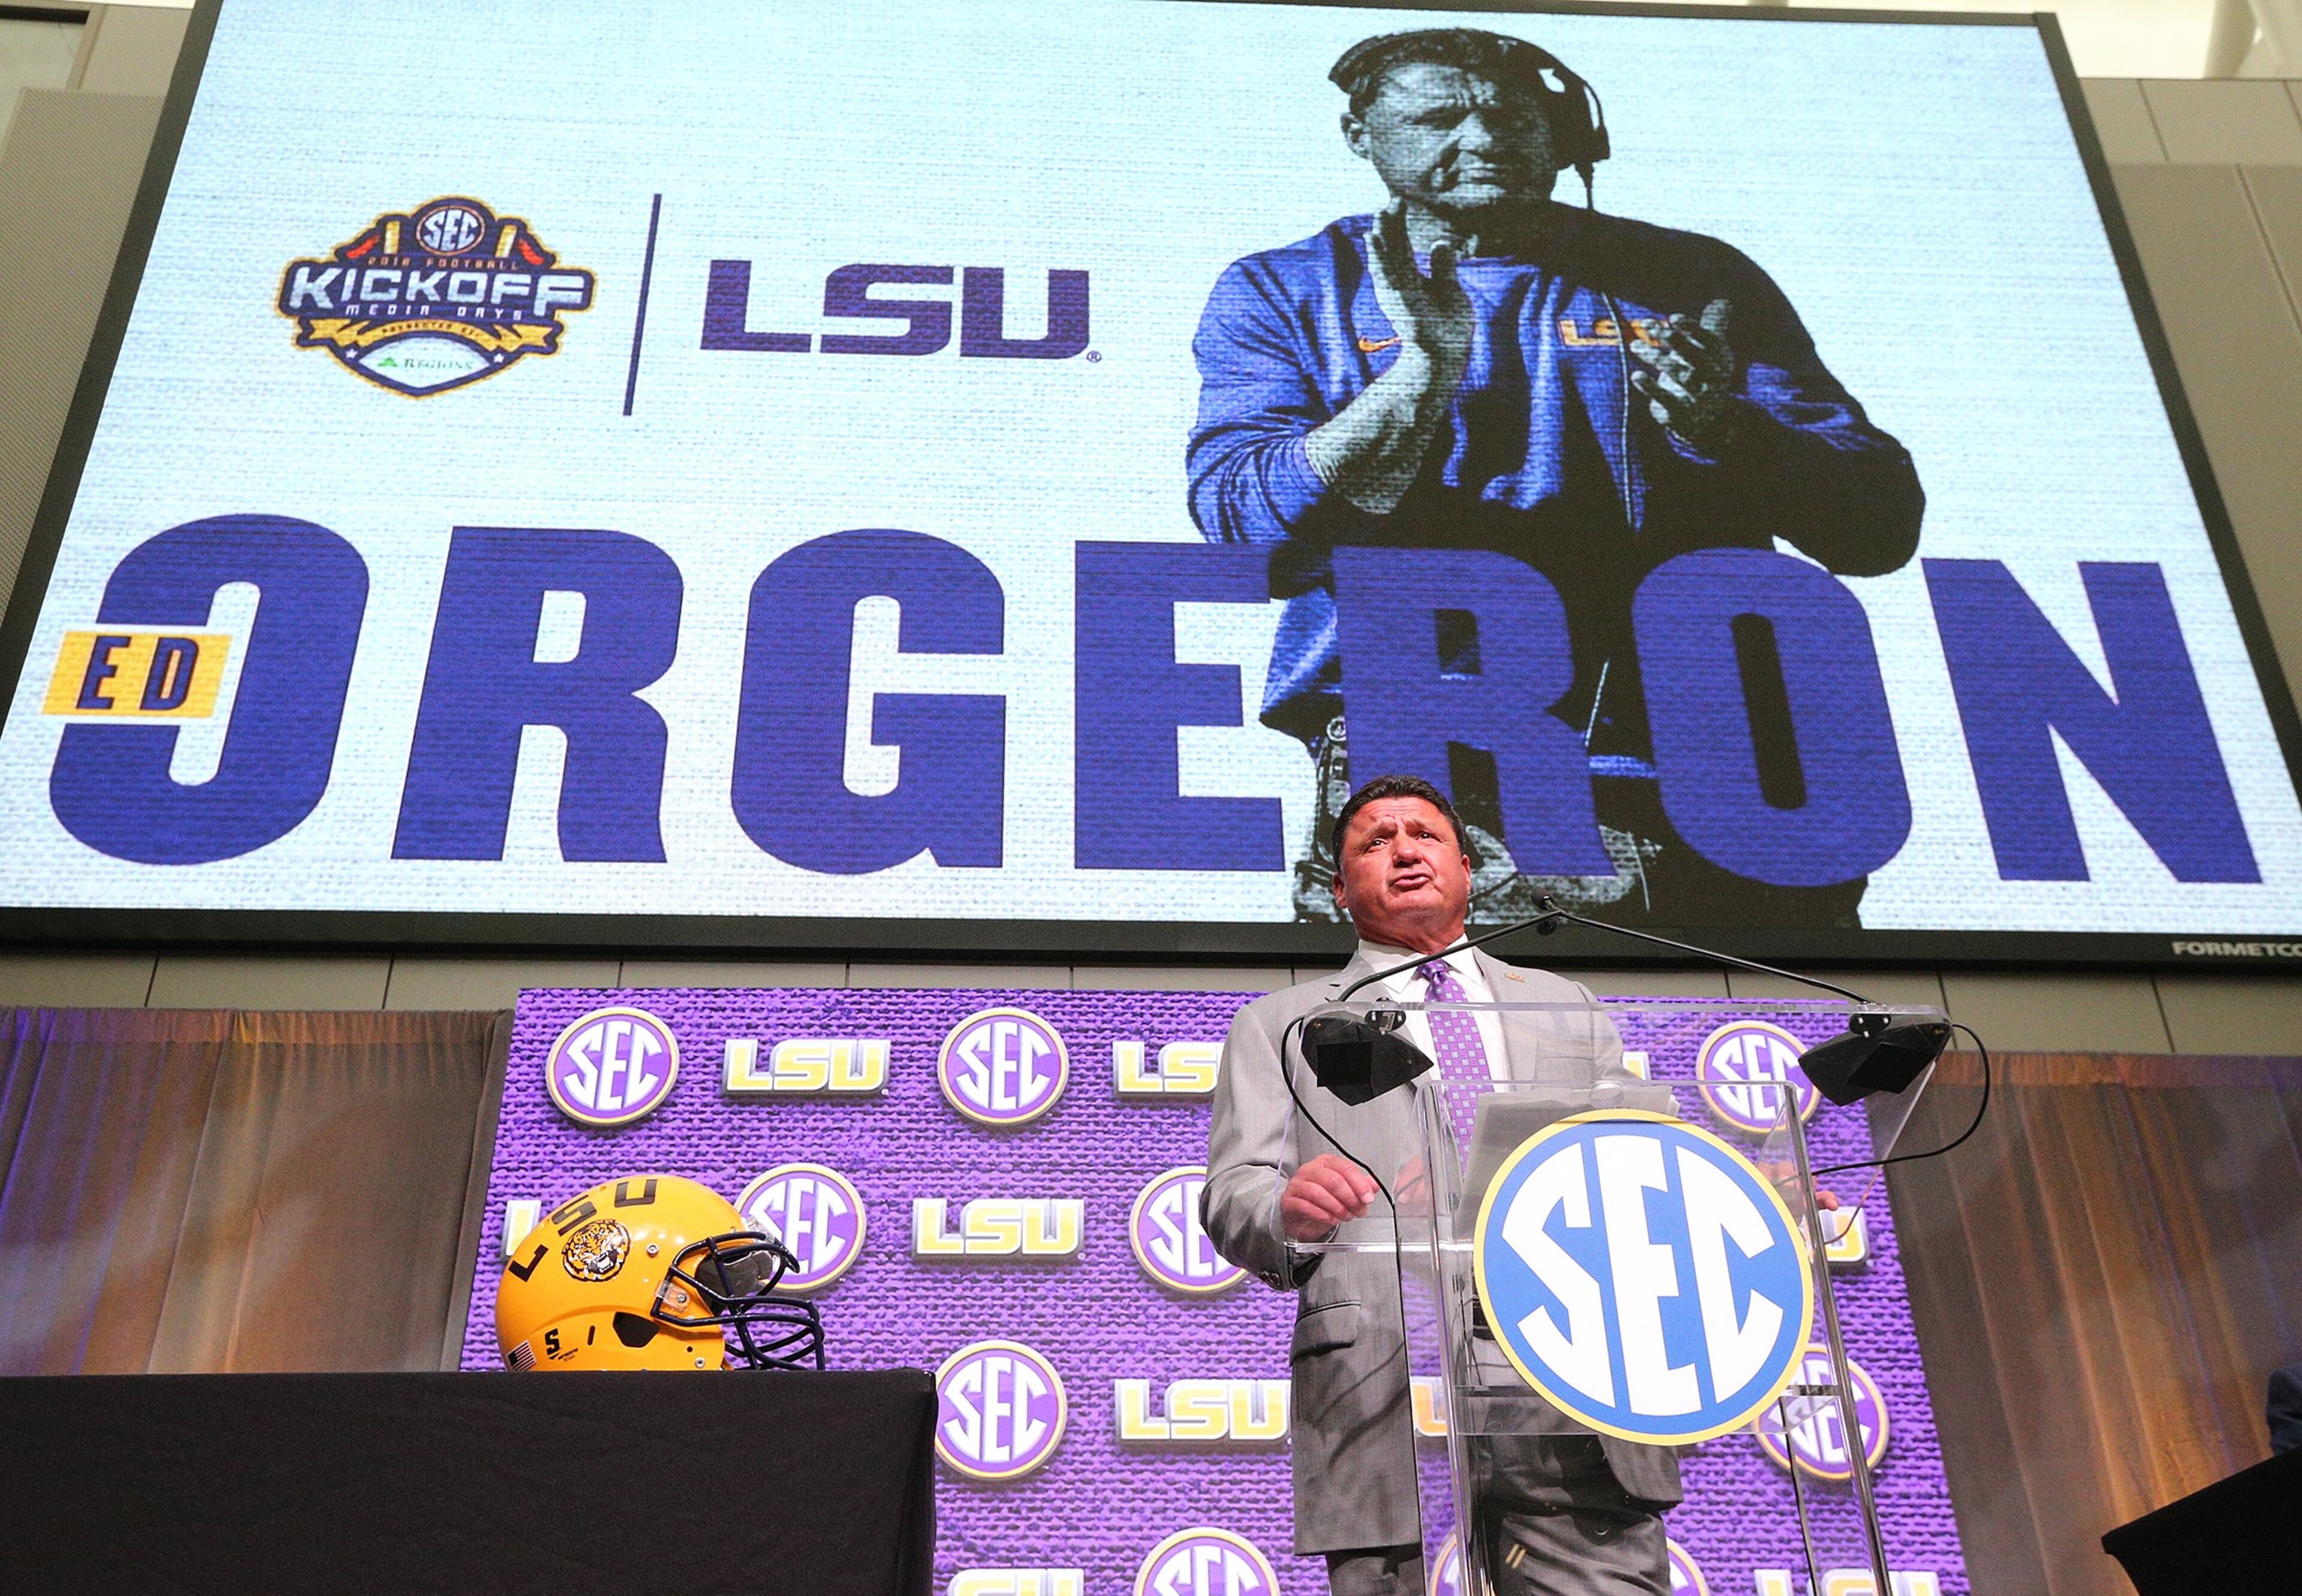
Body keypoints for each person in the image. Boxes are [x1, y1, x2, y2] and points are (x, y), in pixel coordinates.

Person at [1188, 28, 1925, 930]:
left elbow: (1879, 523)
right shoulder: (1284, 289)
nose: (1484, 137)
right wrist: (1422, 373)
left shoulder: (1695, 278)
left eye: (1510, 115)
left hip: (1725, 771)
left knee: (1763, 1053)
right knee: (1466, 1060)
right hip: (1450, 769)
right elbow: (1244, 517)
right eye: (1440, 117)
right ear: (1361, 135)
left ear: (1564, 132)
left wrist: (1729, 429)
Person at [1202, 772, 1678, 1596]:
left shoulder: (1567, 1007)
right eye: (1373, 842)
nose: (1402, 850)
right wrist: (1287, 1208)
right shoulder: (1281, 1022)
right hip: (1385, 1375)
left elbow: (1629, 1165)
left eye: (1421, 834)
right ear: (1342, 890)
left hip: (1566, 1370)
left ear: (1465, 864)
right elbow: (1232, 1188)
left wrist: (1756, 1188)